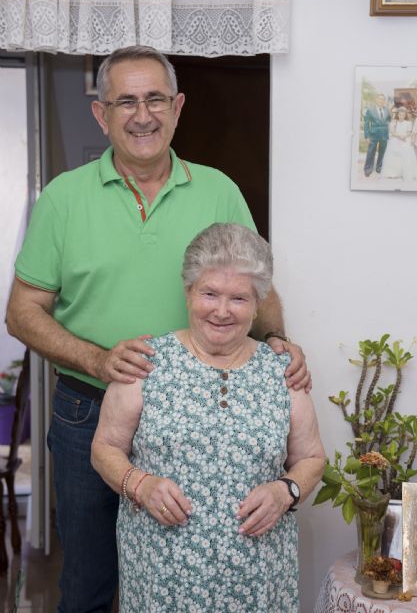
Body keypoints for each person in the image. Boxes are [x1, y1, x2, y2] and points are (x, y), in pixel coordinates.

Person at [6, 46, 311, 613]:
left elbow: (253, 284)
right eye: (126, 101)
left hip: (195, 414)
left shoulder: (219, 189)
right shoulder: (63, 199)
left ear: (178, 107)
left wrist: (277, 344)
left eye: (155, 99)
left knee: (192, 576)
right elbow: (21, 313)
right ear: (101, 113)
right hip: (88, 408)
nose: (142, 115)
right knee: (89, 582)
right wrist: (98, 361)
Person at [92, 223, 325, 613]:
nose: (221, 310)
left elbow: (312, 458)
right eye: (209, 293)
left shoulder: (282, 371)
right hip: (162, 575)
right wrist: (140, 484)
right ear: (188, 293)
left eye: (238, 298)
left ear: (257, 304)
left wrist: (285, 492)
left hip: (258, 577)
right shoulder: (145, 362)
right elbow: (104, 448)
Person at [381, 106, 417, 181]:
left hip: (404, 139)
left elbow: (409, 132)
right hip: (396, 139)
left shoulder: (408, 123)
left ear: (405, 115)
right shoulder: (394, 122)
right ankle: (393, 173)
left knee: (405, 154)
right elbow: (392, 131)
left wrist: (404, 137)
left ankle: (403, 172)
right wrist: (399, 136)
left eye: (403, 115)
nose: (401, 116)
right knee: (394, 156)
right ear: (398, 114)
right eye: (400, 114)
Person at [363, 94, 391, 177]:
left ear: (384, 101)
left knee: (382, 152)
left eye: (383, 99)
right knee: (371, 152)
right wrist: (367, 136)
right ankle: (368, 169)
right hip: (373, 134)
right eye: (379, 99)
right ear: (376, 100)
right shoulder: (370, 110)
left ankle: (379, 167)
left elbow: (389, 119)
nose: (381, 101)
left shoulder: (387, 110)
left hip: (384, 134)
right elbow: (366, 124)